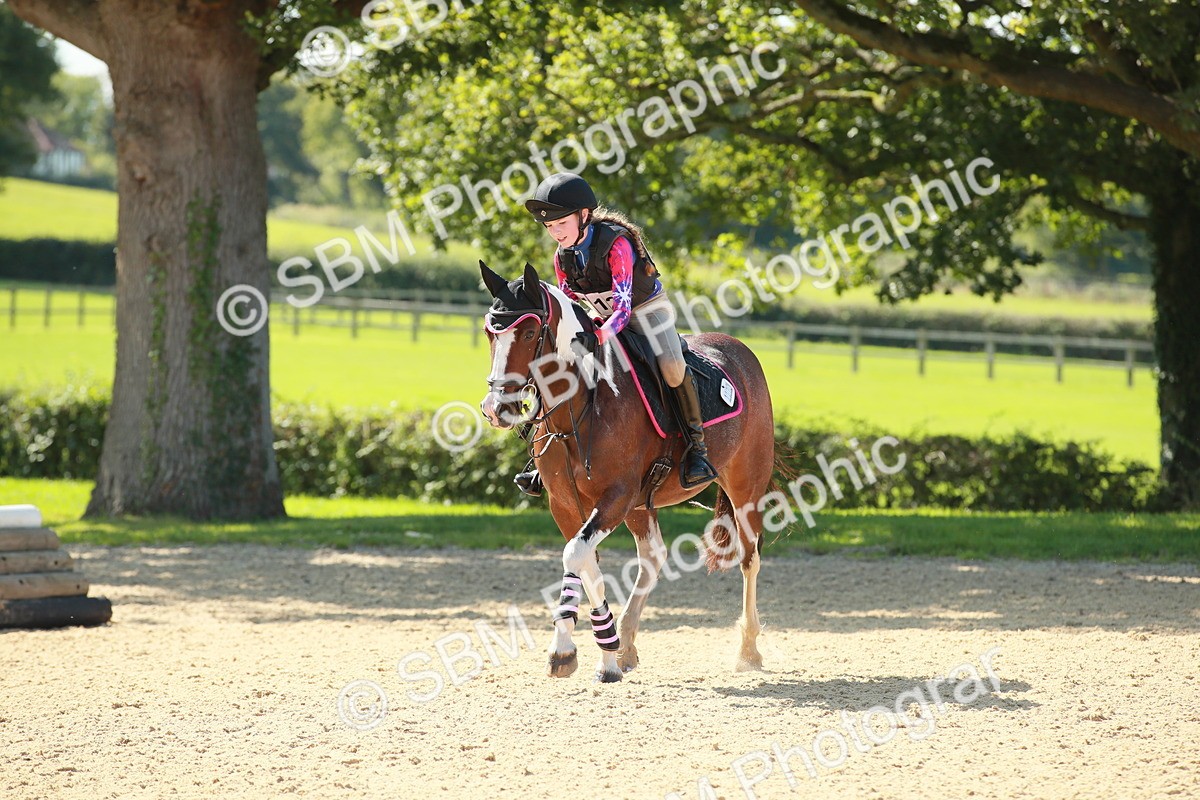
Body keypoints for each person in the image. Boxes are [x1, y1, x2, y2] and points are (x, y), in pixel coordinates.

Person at [513, 171, 718, 496]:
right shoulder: (561, 257)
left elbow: (623, 309)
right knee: (557, 364)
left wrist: (598, 336)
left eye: (560, 224)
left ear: (583, 216)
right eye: (549, 227)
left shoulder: (616, 244)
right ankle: (542, 458)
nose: (555, 232)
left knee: (672, 368)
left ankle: (697, 450)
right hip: (600, 318)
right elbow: (569, 303)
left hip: (646, 312)